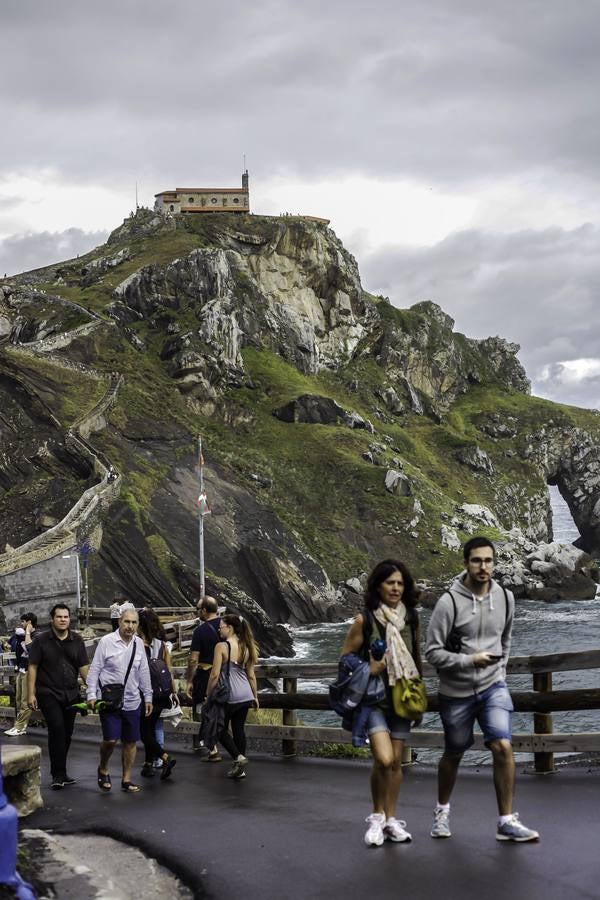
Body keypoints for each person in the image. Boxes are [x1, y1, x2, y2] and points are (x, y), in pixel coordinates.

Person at [425, 536, 539, 842]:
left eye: (488, 560)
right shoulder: (448, 603)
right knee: (454, 753)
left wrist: (499, 671)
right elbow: (432, 652)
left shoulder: (505, 597)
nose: (483, 566)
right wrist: (468, 660)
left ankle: (506, 820)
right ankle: (442, 811)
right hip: (456, 693)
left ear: (494, 563)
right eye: (476, 560)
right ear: (466, 563)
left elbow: (506, 639)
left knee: (502, 746)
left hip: (493, 687)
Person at [340, 559, 422, 846]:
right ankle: (376, 816)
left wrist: (419, 699)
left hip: (402, 697)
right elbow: (345, 657)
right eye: (390, 582)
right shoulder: (365, 619)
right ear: (378, 586)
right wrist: (370, 668)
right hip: (373, 699)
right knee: (384, 759)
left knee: (396, 763)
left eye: (400, 583)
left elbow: (415, 656)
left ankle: (390, 820)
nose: (396, 588)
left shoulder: (410, 617)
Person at [86, 606, 152, 793]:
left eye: (134, 622)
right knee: (111, 740)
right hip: (110, 699)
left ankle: (126, 779)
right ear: (119, 622)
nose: (130, 626)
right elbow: (95, 669)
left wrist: (148, 696)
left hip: (132, 700)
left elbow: (144, 671)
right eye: (126, 622)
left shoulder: (139, 643)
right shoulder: (107, 642)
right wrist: (91, 694)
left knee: (131, 741)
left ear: (138, 625)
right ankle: (103, 767)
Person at [27, 605, 89, 789]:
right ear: (52, 619)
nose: (63, 619)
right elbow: (32, 667)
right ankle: (57, 774)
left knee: (67, 733)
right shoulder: (41, 640)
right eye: (59, 616)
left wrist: (94, 691)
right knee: (57, 728)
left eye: (66, 617)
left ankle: (62, 772)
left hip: (71, 693)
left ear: (69, 619)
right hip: (48, 692)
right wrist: (30, 694)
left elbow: (84, 667)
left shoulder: (77, 640)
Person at [205, 614, 259, 779]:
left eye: (220, 627)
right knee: (238, 730)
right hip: (245, 695)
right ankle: (240, 769)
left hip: (230, 695)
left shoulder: (222, 646)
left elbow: (214, 675)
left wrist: (208, 695)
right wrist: (255, 696)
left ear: (230, 627)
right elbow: (251, 675)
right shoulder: (247, 646)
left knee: (218, 728)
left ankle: (238, 757)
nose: (219, 629)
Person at [137, 609, 177, 780]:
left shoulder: (137, 644)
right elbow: (169, 670)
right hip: (161, 694)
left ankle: (164, 757)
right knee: (151, 728)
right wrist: (173, 692)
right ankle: (148, 764)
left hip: (145, 694)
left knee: (144, 732)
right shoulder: (162, 645)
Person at [185, 596, 222, 758]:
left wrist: (189, 681)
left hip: (205, 675)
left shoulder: (200, 631)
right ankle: (235, 751)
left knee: (204, 711)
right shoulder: (226, 626)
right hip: (226, 675)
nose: (197, 612)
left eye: (198, 609)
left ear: (205, 611)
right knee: (223, 711)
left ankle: (211, 748)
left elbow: (193, 659)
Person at [5, 613, 37, 736]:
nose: (21, 624)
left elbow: (31, 650)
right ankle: (19, 724)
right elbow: (10, 645)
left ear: (29, 622)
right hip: (21, 669)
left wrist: (28, 632)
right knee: (18, 699)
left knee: (25, 700)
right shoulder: (19, 636)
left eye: (23, 622)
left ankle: (20, 726)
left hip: (30, 670)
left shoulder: (36, 636)